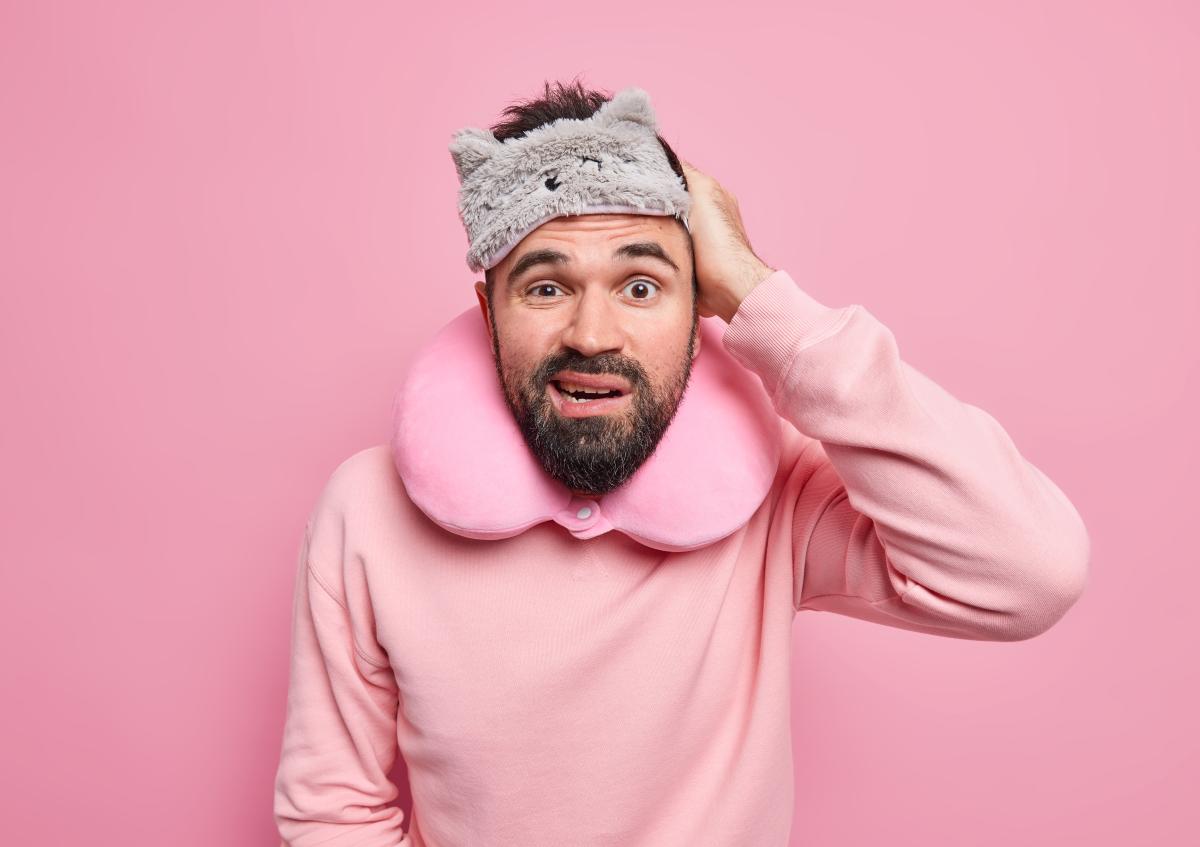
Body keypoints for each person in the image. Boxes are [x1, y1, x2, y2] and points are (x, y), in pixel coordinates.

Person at [273, 80, 1090, 847]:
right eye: (547, 288)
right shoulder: (368, 512)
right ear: (488, 309)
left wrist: (761, 295)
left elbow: (1030, 571)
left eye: (640, 286)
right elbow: (333, 810)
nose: (592, 334)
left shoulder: (778, 499)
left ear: (699, 301)